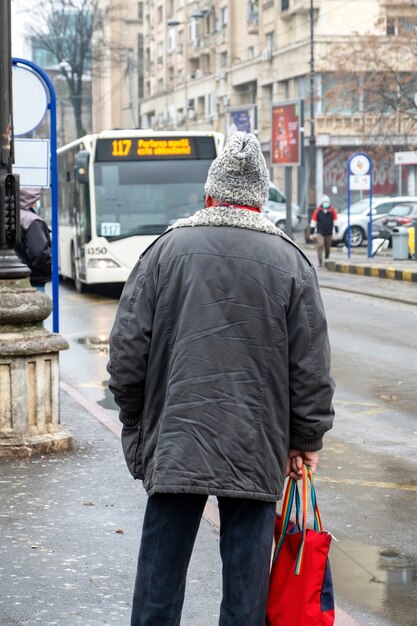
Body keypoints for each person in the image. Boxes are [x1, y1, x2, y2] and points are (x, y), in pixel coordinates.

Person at [107, 132, 335, 626]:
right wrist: (306, 438)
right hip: (257, 447)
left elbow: (126, 353)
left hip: (177, 439)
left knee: (158, 587)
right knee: (244, 596)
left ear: (210, 195)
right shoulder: (292, 263)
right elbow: (311, 369)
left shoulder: (165, 252)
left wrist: (137, 422)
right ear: (259, 203)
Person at [15, 188, 52, 291]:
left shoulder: (13, 217)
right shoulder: (32, 221)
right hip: (32, 281)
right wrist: (51, 267)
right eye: (36, 201)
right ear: (31, 202)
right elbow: (39, 253)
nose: (36, 204)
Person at [310, 194, 339, 267]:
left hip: (329, 232)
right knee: (320, 245)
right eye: (324, 202)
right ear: (322, 203)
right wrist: (311, 233)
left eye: (327, 202)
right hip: (320, 232)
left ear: (329, 203)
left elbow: (336, 222)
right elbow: (313, 222)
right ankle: (320, 261)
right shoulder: (317, 211)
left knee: (327, 248)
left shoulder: (333, 211)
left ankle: (327, 259)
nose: (326, 204)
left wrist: (336, 233)